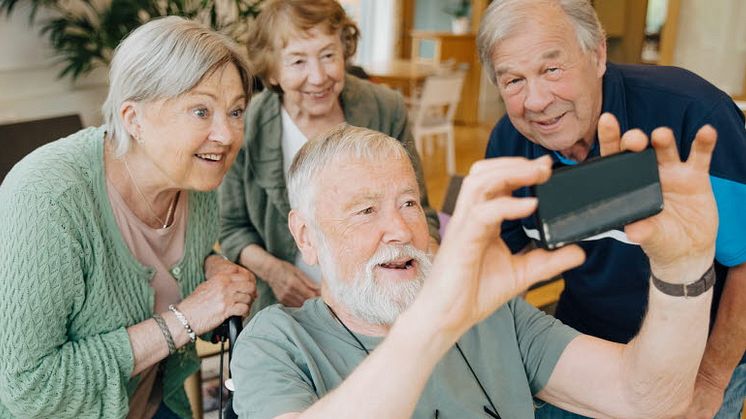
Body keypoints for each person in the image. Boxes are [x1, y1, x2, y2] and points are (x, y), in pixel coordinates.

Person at [231, 122, 719, 418]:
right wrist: (434, 321)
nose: (399, 229)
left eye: (407, 203)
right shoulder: (277, 341)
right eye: (365, 211)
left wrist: (683, 269)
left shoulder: (489, 313)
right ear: (305, 237)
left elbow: (649, 399)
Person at [475, 1, 746, 417]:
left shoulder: (690, 115)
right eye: (513, 80)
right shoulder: (509, 145)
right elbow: (509, 264)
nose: (536, 101)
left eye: (552, 69)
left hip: (699, 356)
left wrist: (711, 379)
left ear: (597, 54)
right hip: (586, 342)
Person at [0, 17, 256, 418]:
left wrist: (213, 274)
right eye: (201, 110)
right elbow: (27, 387)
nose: (226, 135)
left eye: (236, 110)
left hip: (156, 402)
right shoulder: (49, 201)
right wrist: (187, 318)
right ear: (133, 119)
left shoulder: (198, 180)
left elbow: (167, 276)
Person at [219, 0, 440, 317]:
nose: (318, 76)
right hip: (287, 305)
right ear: (273, 70)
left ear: (344, 52)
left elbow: (421, 212)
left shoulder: (384, 109)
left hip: (381, 301)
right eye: (297, 62)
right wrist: (276, 273)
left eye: (328, 55)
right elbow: (232, 230)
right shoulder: (247, 125)